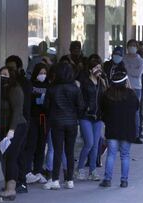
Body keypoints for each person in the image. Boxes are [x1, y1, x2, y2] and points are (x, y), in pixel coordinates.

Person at [43, 62, 85, 190]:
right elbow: (81, 106)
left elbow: (46, 107)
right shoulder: (75, 88)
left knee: (57, 150)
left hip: (56, 122)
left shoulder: (52, 88)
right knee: (69, 151)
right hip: (72, 122)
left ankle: (55, 179)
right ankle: (69, 180)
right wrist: (75, 115)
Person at [99, 71, 139, 188]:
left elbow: (102, 110)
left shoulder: (107, 95)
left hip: (112, 129)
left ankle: (107, 179)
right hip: (127, 129)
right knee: (125, 155)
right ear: (125, 81)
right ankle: (124, 181)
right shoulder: (131, 94)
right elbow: (137, 107)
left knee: (111, 154)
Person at [0, 66, 28, 200]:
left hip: (16, 127)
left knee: (11, 157)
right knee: (6, 157)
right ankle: (9, 186)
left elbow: (17, 111)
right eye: (1, 74)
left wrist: (11, 131)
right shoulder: (1, 89)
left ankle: (11, 189)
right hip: (5, 128)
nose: (3, 76)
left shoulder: (15, 89)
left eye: (5, 74)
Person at [76, 54, 106, 181]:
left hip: (98, 117)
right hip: (86, 116)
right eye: (95, 67)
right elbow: (80, 99)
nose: (98, 70)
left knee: (95, 145)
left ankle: (92, 170)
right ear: (90, 70)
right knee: (89, 143)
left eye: (99, 67)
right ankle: (80, 169)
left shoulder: (101, 82)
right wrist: (85, 108)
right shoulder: (84, 82)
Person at [5, 55, 31, 193]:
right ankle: (17, 182)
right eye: (7, 69)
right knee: (14, 155)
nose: (9, 72)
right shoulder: (6, 85)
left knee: (17, 154)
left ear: (19, 68)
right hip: (13, 124)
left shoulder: (21, 84)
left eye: (12, 69)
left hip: (21, 124)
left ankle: (21, 182)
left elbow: (21, 108)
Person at [24, 63, 50, 185]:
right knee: (31, 144)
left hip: (44, 119)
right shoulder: (31, 85)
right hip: (33, 118)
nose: (43, 75)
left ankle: (38, 170)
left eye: (45, 73)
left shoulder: (48, 85)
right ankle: (27, 171)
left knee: (41, 145)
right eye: (40, 73)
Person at [123, 39, 143, 144]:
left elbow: (137, 74)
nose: (131, 47)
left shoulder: (141, 61)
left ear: (137, 47)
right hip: (124, 87)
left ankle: (136, 135)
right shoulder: (123, 58)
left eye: (133, 45)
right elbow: (123, 72)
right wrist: (130, 69)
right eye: (130, 45)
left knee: (135, 112)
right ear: (127, 47)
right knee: (123, 111)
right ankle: (125, 134)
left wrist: (128, 69)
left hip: (136, 88)